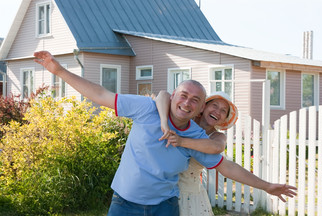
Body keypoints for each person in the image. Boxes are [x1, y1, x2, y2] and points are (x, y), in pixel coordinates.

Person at [33, 51, 297, 216]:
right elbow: (101, 94)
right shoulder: (146, 108)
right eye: (184, 95)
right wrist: (59, 70)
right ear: (173, 97)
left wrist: (267, 186)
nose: (187, 102)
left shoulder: (197, 138)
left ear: (198, 108)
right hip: (124, 204)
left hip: (165, 208)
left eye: (195, 100)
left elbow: (227, 167)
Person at [156, 90, 296, 216]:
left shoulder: (217, 138)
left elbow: (221, 155)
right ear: (203, 107)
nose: (218, 111)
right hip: (158, 188)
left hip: (188, 197)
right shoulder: (184, 118)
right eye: (214, 105)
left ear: (224, 119)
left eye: (223, 110)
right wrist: (164, 121)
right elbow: (163, 95)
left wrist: (267, 186)